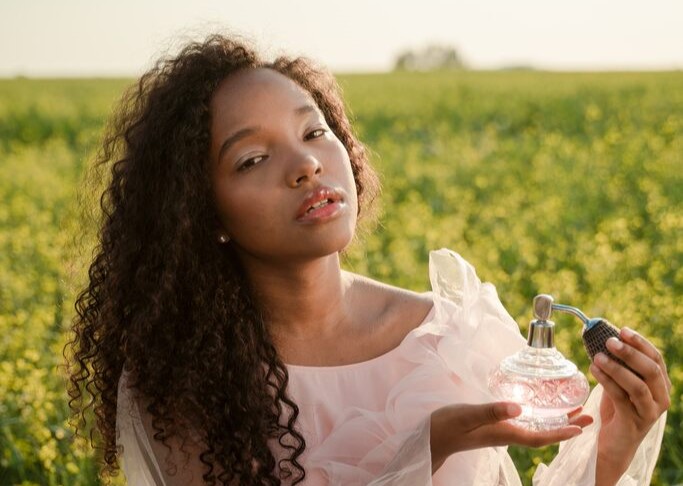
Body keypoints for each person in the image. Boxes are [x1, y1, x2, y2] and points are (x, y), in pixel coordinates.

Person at [66, 34, 670, 486]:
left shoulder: (447, 335)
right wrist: (423, 451)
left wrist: (611, 452)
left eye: (313, 132)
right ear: (201, 213)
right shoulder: (183, 381)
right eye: (251, 159)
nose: (305, 166)